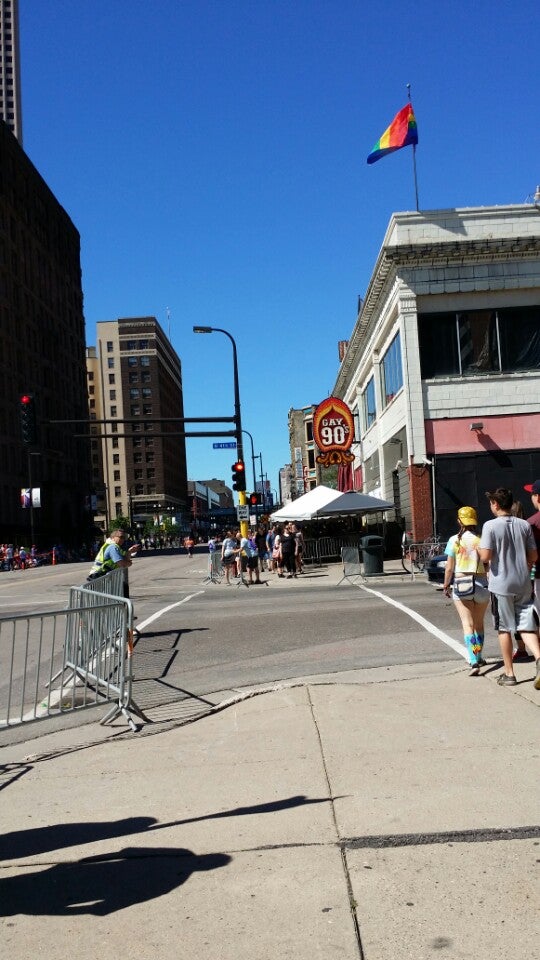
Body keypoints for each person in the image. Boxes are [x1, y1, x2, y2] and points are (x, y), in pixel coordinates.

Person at [478, 487, 540, 689]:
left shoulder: (490, 526)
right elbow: (533, 556)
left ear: (496, 504)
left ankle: (509, 673)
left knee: (504, 628)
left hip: (501, 583)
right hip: (522, 581)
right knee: (526, 624)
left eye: (491, 503)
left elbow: (486, 557)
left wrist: (480, 551)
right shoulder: (524, 525)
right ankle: (539, 658)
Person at [443, 506, 490, 675]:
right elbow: (487, 563)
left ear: (459, 521)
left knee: (467, 624)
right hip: (481, 583)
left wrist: (446, 585)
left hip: (462, 583)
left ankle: (472, 661)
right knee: (479, 624)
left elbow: (449, 567)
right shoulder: (480, 540)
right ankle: (479, 656)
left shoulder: (453, 540)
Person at [88, 529, 135, 596]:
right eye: (121, 537)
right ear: (113, 537)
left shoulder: (116, 547)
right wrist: (129, 563)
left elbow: (124, 558)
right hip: (100, 577)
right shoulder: (113, 547)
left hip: (104, 577)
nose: (123, 539)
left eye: (124, 537)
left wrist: (130, 552)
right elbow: (122, 563)